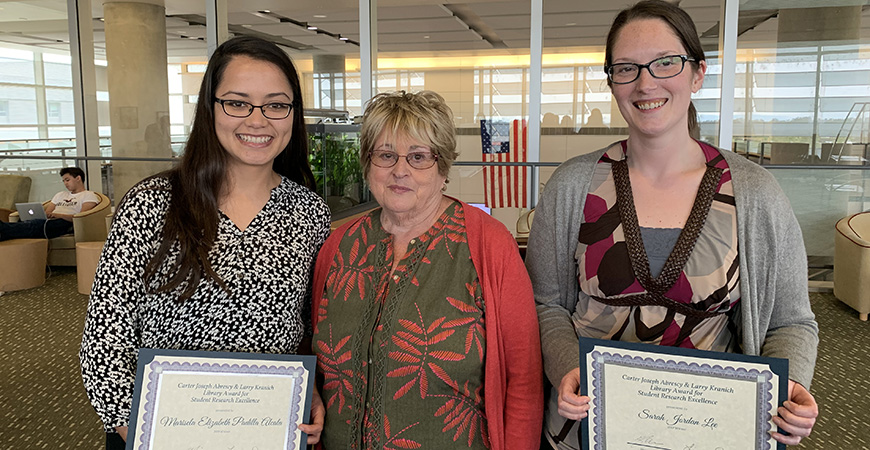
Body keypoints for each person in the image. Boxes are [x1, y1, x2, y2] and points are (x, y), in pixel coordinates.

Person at [526, 2, 819, 449]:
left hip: (712, 433)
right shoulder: (573, 186)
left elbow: (791, 321)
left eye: (665, 63)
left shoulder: (754, 194)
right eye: (626, 68)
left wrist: (788, 386)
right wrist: (567, 367)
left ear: (697, 74)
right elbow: (546, 304)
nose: (646, 83)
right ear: (611, 82)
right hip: (586, 429)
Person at [79, 36, 330, 449]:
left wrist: (311, 390)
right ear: (210, 107)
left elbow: (307, 328)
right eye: (237, 102)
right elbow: (105, 339)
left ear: (292, 114)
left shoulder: (309, 212)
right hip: (159, 433)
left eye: (276, 104)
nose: (258, 120)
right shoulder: (153, 204)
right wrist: (138, 432)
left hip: (266, 431)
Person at [310, 90, 543, 450]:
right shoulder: (339, 246)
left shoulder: (488, 245)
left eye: (418, 157)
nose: (399, 170)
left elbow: (523, 383)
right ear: (367, 162)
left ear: (443, 166)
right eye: (385, 155)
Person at [0, 167, 98, 241]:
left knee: (36, 224)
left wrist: (58, 215)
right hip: (50, 221)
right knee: (26, 220)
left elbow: (80, 217)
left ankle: (2, 228)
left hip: (66, 223)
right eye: (63, 181)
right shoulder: (60, 195)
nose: (65, 183)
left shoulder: (89, 195)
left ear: (78, 178)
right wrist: (49, 215)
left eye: (67, 180)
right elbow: (48, 212)